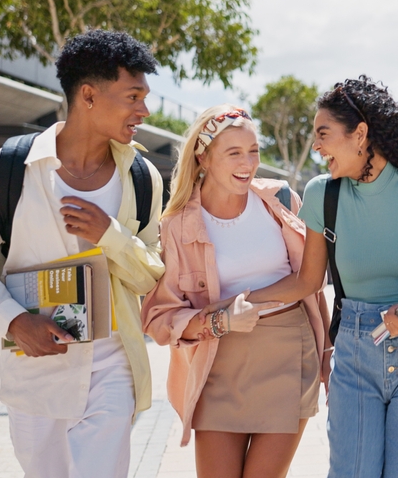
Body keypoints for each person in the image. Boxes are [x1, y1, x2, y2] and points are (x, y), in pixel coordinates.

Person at [0, 30, 165, 478]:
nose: (144, 110)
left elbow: (153, 275)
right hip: (35, 370)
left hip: (114, 365)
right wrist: (14, 322)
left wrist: (112, 235)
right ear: (88, 95)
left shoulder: (142, 178)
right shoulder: (3, 171)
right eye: (133, 96)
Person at [243, 75, 398, 478]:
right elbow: (307, 281)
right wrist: (241, 298)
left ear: (360, 134)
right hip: (355, 355)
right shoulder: (324, 193)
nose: (317, 147)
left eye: (323, 134)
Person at [141, 105, 330, 478]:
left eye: (254, 151)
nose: (249, 163)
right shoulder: (176, 226)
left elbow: (311, 288)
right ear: (203, 157)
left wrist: (326, 354)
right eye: (234, 153)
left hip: (288, 355)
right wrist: (219, 321)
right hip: (216, 362)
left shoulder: (281, 201)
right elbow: (159, 319)